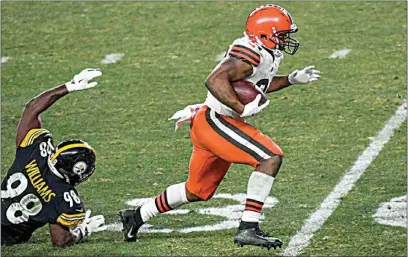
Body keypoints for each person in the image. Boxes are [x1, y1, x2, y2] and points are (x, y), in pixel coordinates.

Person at [119, 4, 320, 250]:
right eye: (282, 35)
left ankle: (136, 216)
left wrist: (290, 80)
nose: (286, 40)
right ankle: (248, 228)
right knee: (270, 157)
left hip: (211, 123)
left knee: (196, 191)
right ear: (265, 34)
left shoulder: (263, 52)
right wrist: (241, 107)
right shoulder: (250, 54)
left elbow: (258, 85)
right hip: (216, 121)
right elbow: (214, 80)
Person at [1, 68, 107, 247]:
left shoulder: (35, 148)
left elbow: (31, 108)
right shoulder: (64, 196)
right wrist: (83, 230)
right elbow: (60, 240)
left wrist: (68, 87)